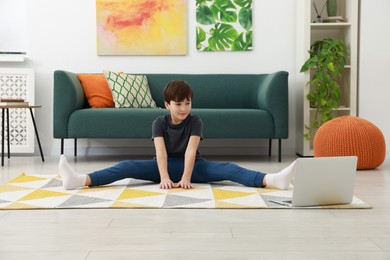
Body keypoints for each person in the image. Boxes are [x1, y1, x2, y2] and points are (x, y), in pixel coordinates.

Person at [59, 80, 296, 190]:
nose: (183, 108)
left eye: (187, 103)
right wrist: (163, 178)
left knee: (228, 169)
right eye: (178, 104)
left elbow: (191, 151)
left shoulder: (195, 121)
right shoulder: (158, 122)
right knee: (126, 166)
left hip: (192, 167)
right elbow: (160, 152)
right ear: (167, 104)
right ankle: (80, 180)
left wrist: (186, 178)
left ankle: (272, 180)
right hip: (160, 166)